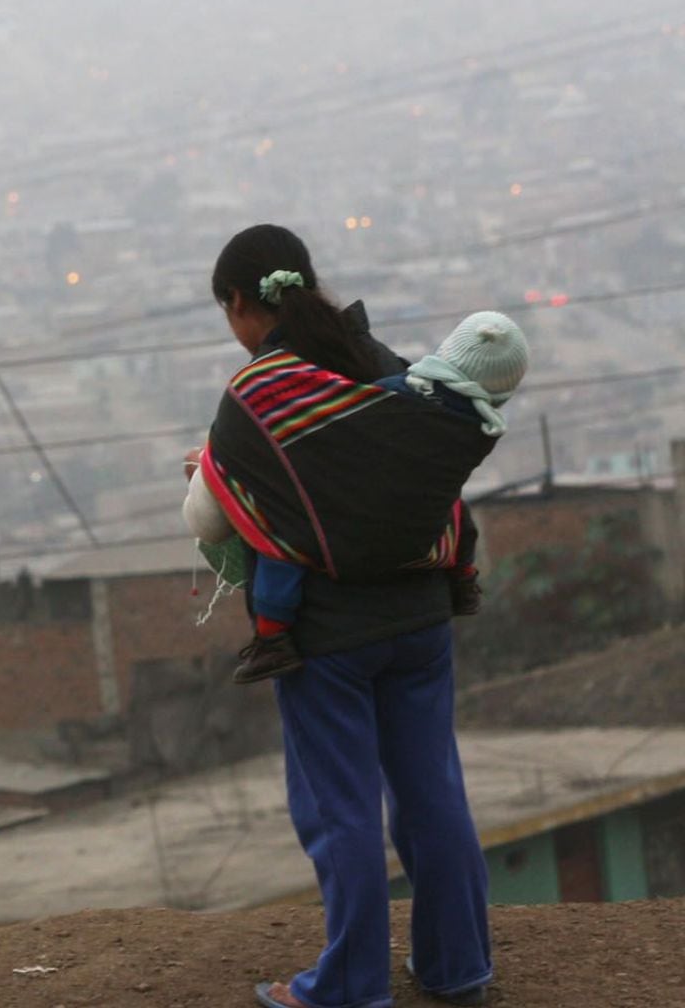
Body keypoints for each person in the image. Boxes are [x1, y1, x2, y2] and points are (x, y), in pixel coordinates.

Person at [198, 225, 494, 1008]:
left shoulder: (254, 395)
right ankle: (458, 967)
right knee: (433, 792)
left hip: (329, 639)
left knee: (342, 812)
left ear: (239, 302)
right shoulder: (383, 362)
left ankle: (352, 988)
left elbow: (229, 510)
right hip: (422, 618)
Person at [190, 309, 528, 684]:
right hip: (421, 556)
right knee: (455, 513)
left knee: (281, 542)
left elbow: (351, 415)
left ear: (446, 352)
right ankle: (463, 580)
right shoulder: (475, 430)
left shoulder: (401, 393)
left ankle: (272, 638)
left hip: (345, 583)